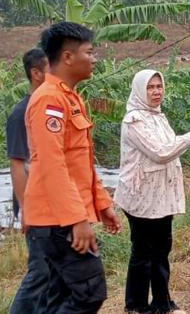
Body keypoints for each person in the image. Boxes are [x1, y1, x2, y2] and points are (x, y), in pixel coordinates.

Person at [23, 21, 121, 314]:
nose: (94, 59)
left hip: (62, 217)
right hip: (58, 221)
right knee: (89, 293)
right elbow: (53, 165)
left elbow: (80, 162)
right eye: (89, 52)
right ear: (67, 57)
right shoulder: (49, 100)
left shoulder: (70, 98)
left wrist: (102, 204)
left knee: (57, 297)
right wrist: (76, 220)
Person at [114, 69, 190, 314]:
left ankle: (162, 304)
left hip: (160, 197)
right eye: (150, 87)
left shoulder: (158, 117)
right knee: (143, 252)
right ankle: (136, 306)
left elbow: (168, 148)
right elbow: (161, 152)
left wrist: (189, 139)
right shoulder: (135, 121)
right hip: (141, 198)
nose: (156, 91)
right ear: (140, 90)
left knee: (161, 250)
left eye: (159, 86)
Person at [7, 48, 56, 314]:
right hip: (36, 206)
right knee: (39, 272)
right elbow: (17, 164)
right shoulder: (21, 114)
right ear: (36, 73)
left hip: (53, 204)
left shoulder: (50, 107)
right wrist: (27, 209)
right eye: (50, 69)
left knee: (53, 271)